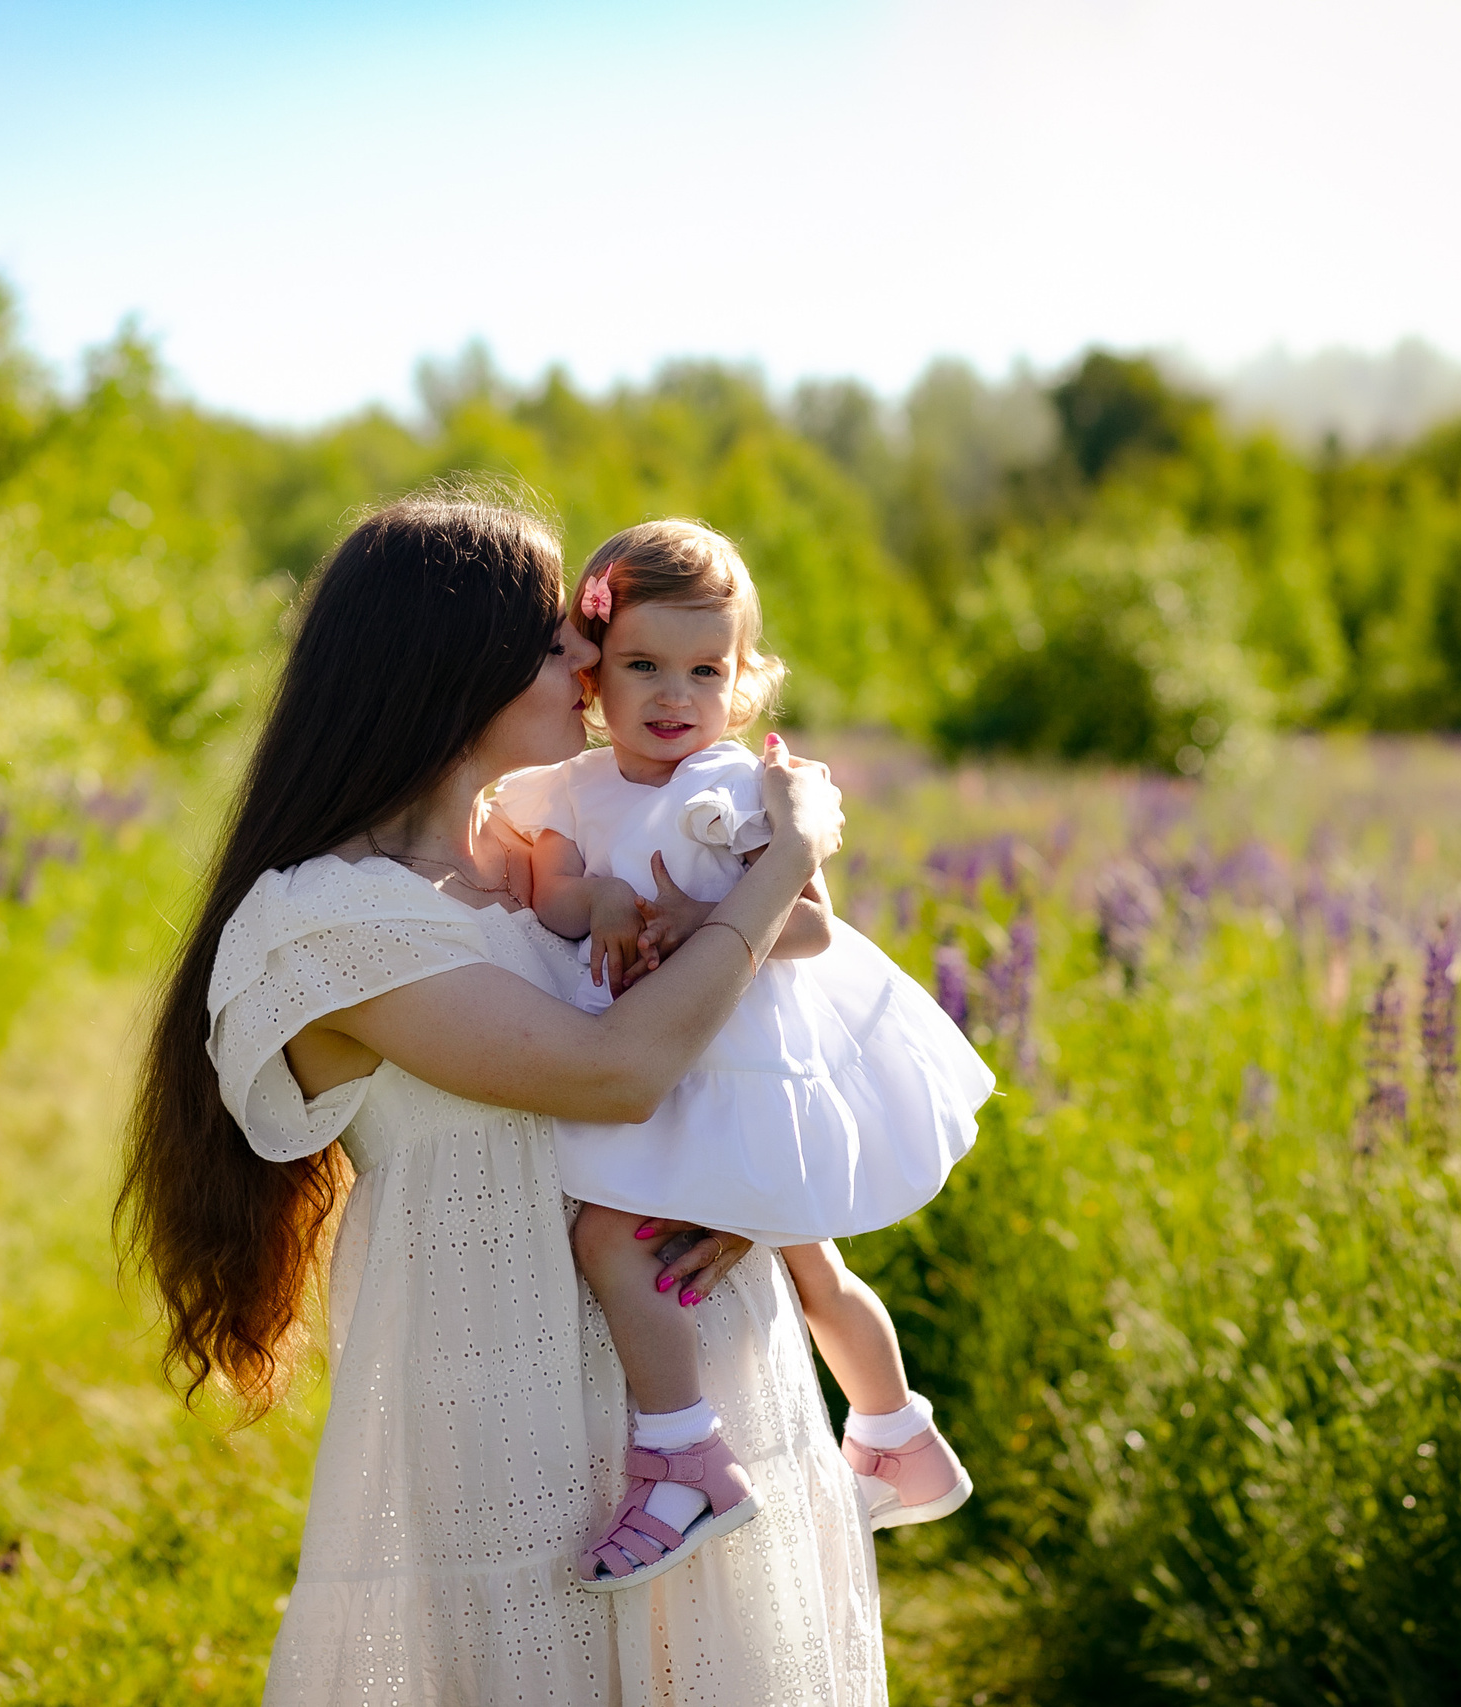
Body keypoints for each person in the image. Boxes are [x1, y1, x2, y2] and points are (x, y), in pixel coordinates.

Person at [118, 492, 886, 1704]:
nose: (588, 661)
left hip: (698, 1370)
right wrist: (786, 862)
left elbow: (744, 1045)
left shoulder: (556, 859)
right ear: (448, 669)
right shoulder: (328, 921)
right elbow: (616, 1073)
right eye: (551, 641)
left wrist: (747, 1184)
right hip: (505, 1400)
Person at [494, 520, 994, 1590]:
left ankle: (685, 1455)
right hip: (662, 1065)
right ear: (591, 676)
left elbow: (812, 927)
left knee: (617, 1244)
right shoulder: (572, 792)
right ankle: (898, 1439)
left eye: (704, 670)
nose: (674, 695)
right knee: (801, 1255)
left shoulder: (738, 786)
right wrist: (611, 900)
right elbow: (552, 897)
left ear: (742, 679)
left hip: (739, 1070)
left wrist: (710, 918)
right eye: (642, 666)